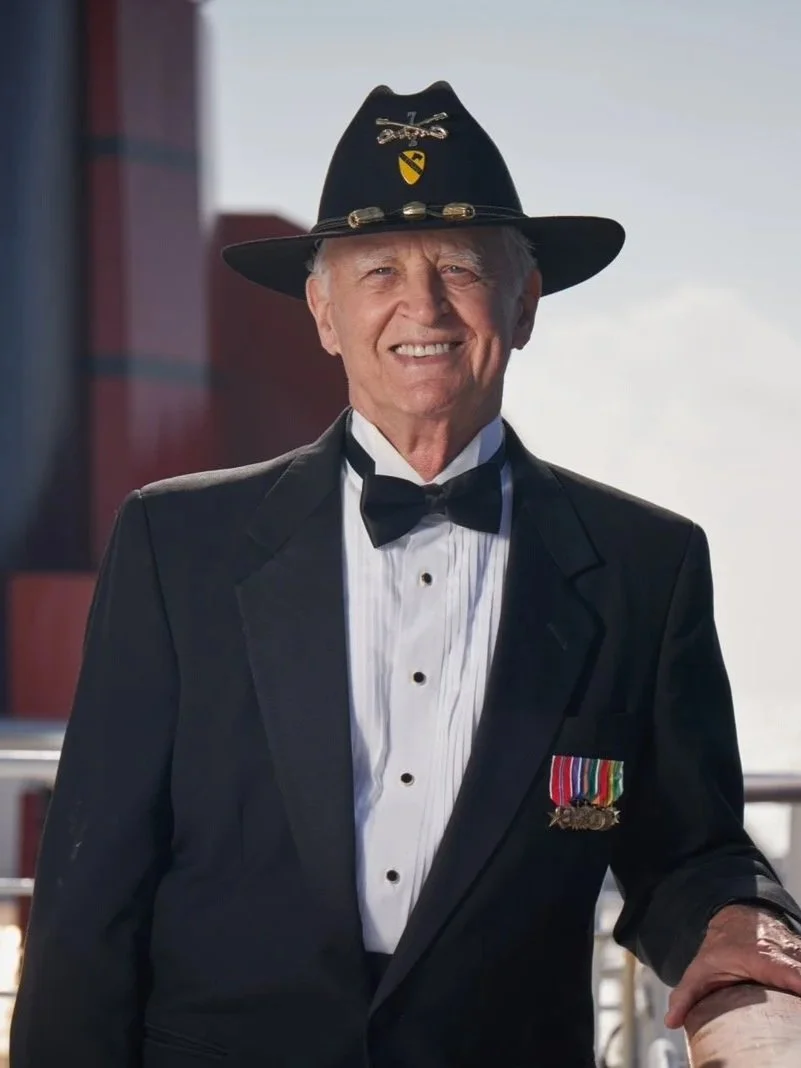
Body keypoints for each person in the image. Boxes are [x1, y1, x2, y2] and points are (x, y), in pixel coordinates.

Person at [10, 81, 801, 1068]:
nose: (420, 307)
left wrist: (749, 933)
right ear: (324, 313)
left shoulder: (649, 566)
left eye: (460, 270)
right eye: (378, 270)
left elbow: (689, 850)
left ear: (523, 303)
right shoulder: (176, 545)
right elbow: (91, 896)